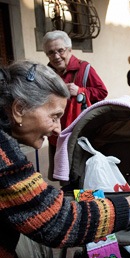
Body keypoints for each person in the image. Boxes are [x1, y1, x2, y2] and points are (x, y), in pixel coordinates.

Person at [0, 60, 130, 258]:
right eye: (54, 116)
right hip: (99, 212)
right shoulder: (4, 158)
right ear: (19, 109)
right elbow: (56, 221)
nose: (59, 130)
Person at [42, 30, 108, 181]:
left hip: (80, 130)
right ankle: (69, 200)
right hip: (57, 132)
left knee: (81, 172)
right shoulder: (46, 74)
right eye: (51, 52)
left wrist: (80, 90)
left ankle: (84, 200)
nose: (56, 56)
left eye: (60, 50)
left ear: (70, 50)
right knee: (63, 175)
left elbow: (102, 92)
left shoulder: (85, 69)